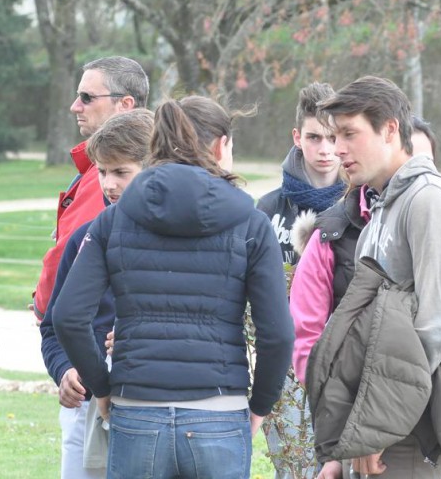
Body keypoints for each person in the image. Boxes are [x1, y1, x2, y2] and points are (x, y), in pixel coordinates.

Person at [55, 96, 295, 479]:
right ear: (221, 146)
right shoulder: (250, 223)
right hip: (219, 407)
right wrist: (260, 405)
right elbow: (278, 334)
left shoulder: (114, 221)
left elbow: (67, 316)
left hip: (137, 406)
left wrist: (102, 387)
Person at [310, 77, 441, 478]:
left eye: (350, 134)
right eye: (335, 136)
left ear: (390, 129)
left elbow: (436, 328)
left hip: (405, 432)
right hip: (380, 422)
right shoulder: (385, 206)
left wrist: (375, 430)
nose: (337, 149)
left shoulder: (429, 202)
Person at [283, 116, 438, 476]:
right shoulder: (331, 234)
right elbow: (309, 341)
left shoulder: (440, 220)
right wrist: (348, 433)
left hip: (426, 424)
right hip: (352, 415)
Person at [41, 109, 155, 479]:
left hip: (157, 404)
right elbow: (54, 325)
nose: (108, 184)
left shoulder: (183, 239)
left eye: (121, 172)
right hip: (86, 404)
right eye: (102, 171)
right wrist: (65, 369)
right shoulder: (85, 238)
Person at [31, 56, 149, 320]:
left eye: (87, 97)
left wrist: (46, 310)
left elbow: (68, 255)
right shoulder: (97, 171)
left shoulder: (109, 182)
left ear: (125, 104)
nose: (75, 107)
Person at [258, 82, 344, 265]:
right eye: (314, 137)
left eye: (332, 138)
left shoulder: (359, 207)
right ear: (297, 138)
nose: (325, 150)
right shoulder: (268, 209)